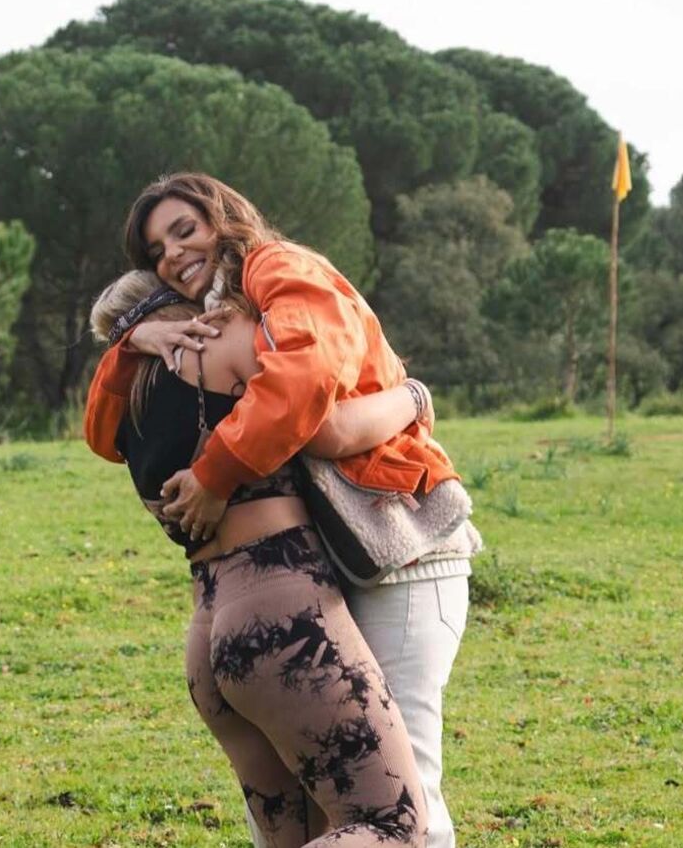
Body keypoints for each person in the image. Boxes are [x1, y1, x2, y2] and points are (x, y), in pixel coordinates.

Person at [85, 173, 480, 848]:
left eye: (186, 230)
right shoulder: (238, 333)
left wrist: (129, 346)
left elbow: (98, 434)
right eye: (158, 251)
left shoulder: (145, 399)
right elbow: (313, 406)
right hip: (293, 600)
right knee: (393, 825)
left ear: (224, 217)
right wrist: (412, 396)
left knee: (296, 832)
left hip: (213, 625)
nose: (174, 254)